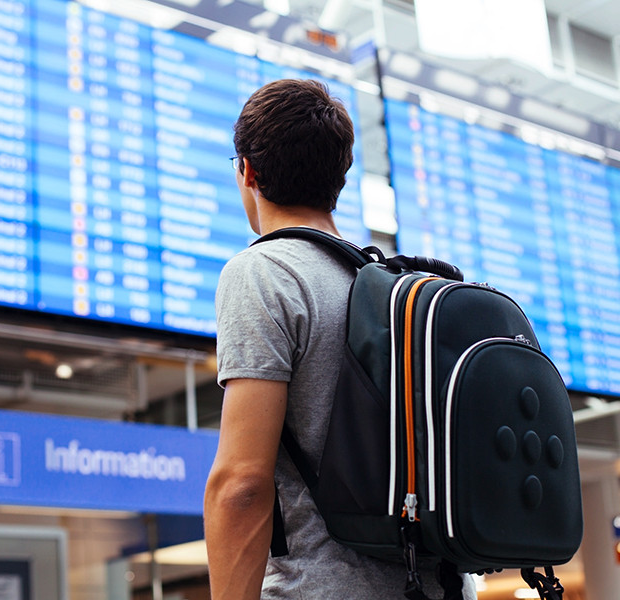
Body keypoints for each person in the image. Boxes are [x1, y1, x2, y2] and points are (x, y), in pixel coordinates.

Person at [204, 79, 477, 599]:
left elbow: (240, 482)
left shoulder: (264, 272)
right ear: (341, 177)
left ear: (248, 172)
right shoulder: (398, 289)